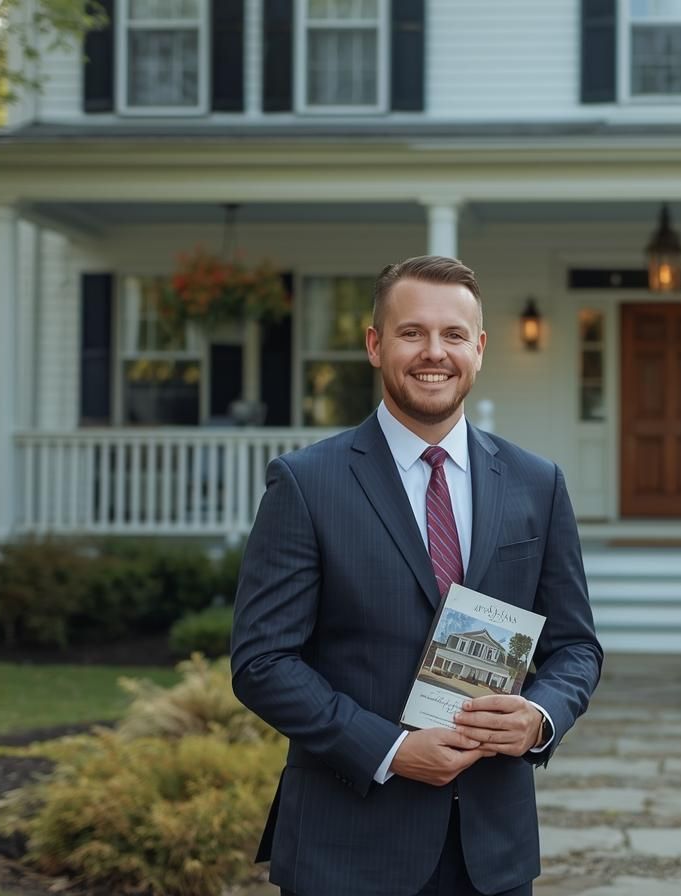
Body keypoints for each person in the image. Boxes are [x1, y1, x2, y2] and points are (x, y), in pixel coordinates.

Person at [231, 255, 603, 896]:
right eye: (412, 333)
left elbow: (574, 647)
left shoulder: (536, 484)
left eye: (454, 335)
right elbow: (262, 661)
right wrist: (390, 751)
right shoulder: (306, 483)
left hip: (492, 852)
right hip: (347, 849)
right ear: (375, 345)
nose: (435, 353)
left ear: (480, 349)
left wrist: (540, 716)